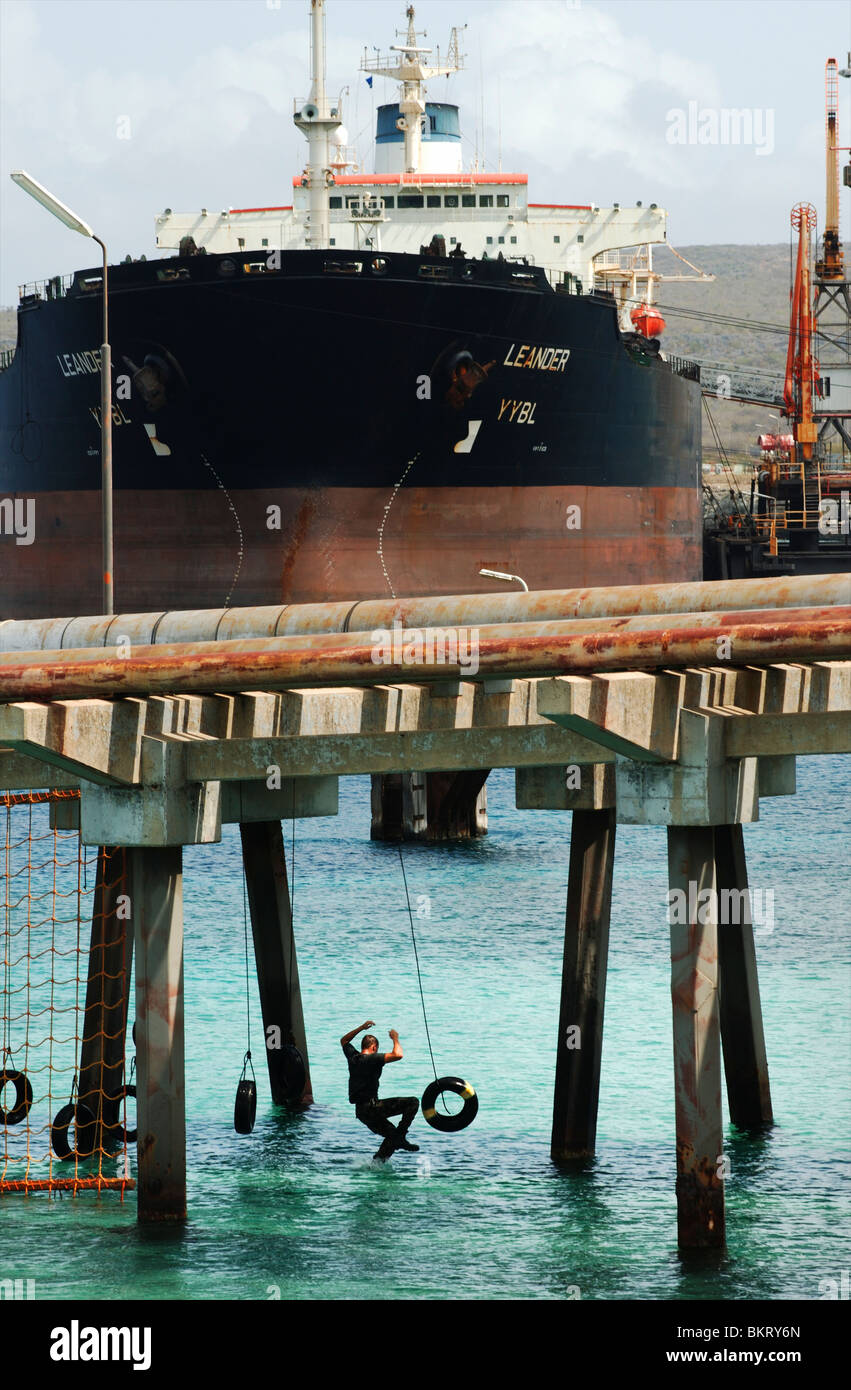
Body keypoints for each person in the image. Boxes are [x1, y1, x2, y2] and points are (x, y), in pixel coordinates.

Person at [340, 1020, 420, 1163]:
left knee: (392, 1136)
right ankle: (401, 1135)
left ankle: (377, 1163)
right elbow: (398, 1054)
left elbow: (344, 1040)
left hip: (361, 1112)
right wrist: (395, 1038)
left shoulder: (353, 1057)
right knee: (413, 1102)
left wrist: (361, 1027)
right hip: (373, 1108)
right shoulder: (374, 1058)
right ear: (374, 1047)